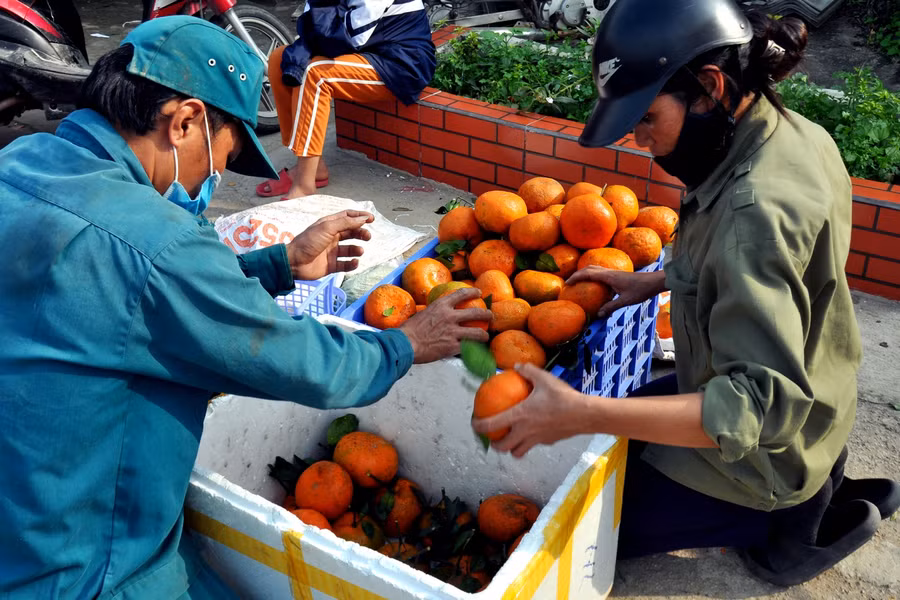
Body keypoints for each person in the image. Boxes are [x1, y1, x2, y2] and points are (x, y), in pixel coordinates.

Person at [0, 17, 490, 599]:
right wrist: (407, 342)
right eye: (221, 158)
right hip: (82, 564)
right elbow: (304, 363)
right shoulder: (160, 242)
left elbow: (120, 294)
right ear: (185, 121)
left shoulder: (22, 161)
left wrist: (279, 264)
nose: (212, 177)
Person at [472, 0, 900, 587]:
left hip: (769, 446)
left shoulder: (755, 210)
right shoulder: (789, 134)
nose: (641, 140)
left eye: (647, 118)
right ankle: (824, 479)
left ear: (709, 88)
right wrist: (652, 280)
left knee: (588, 521)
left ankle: (789, 523)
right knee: (620, 432)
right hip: (818, 394)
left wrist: (581, 412)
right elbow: (776, 272)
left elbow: (757, 407)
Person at [255, 0, 436, 199]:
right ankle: (313, 166)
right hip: (366, 50)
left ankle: (304, 184)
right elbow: (312, 20)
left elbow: (352, 35)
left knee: (314, 74)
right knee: (280, 60)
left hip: (401, 62)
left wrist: (316, 34)